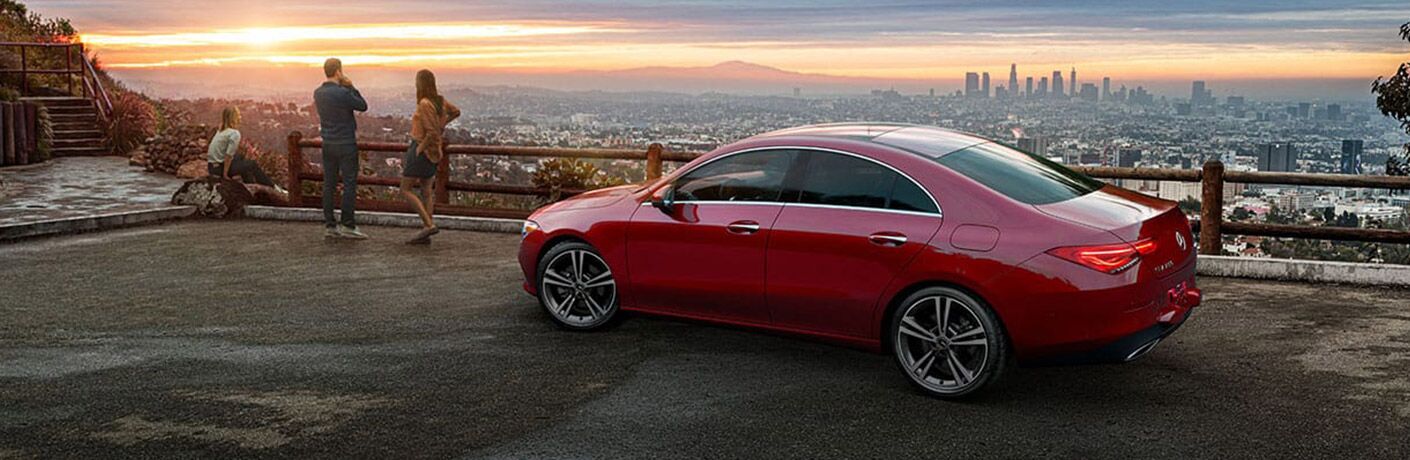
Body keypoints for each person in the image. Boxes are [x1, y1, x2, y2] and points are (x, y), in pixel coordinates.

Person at [400, 69, 461, 245]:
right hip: (435, 152)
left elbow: (431, 132)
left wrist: (419, 148)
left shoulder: (425, 103)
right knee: (426, 192)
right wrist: (443, 123)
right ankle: (428, 228)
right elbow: (456, 112)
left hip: (422, 149)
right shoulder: (439, 101)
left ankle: (428, 225)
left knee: (405, 189)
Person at [313, 58, 370, 239]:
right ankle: (348, 225)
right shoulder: (343, 93)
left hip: (328, 143)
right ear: (338, 71)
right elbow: (363, 105)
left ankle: (330, 225)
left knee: (329, 184)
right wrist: (351, 86)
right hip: (345, 142)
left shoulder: (318, 93)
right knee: (349, 184)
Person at [206, 107, 285, 193]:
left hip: (211, 167)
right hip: (219, 170)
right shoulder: (234, 134)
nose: (240, 117)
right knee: (252, 164)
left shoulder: (221, 131)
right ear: (233, 118)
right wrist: (225, 175)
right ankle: (273, 187)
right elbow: (228, 156)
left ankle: (250, 184)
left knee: (241, 157)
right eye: (238, 115)